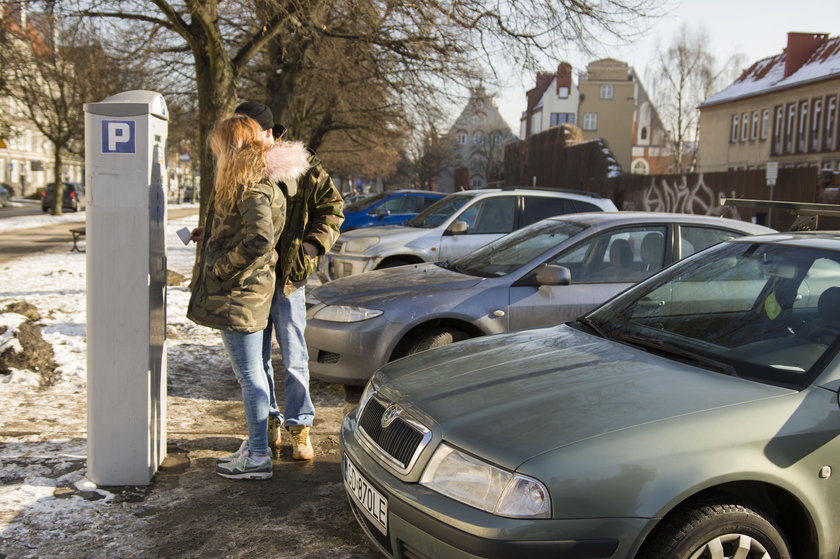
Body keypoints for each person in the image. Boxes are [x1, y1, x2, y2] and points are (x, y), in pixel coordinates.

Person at [186, 113, 310, 479]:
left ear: (232, 148)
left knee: (250, 376)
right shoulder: (258, 183)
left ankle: (258, 456)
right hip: (247, 293)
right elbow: (247, 229)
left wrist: (222, 267)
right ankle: (256, 445)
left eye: (219, 150)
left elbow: (258, 239)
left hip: (239, 294)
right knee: (253, 373)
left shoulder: (253, 187)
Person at [234, 101, 344, 461]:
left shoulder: (301, 165)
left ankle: (300, 427)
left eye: (248, 130)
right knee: (258, 359)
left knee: (294, 357)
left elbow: (333, 207)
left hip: (288, 280)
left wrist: (311, 248)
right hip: (251, 281)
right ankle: (269, 422)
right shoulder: (239, 166)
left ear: (267, 132)